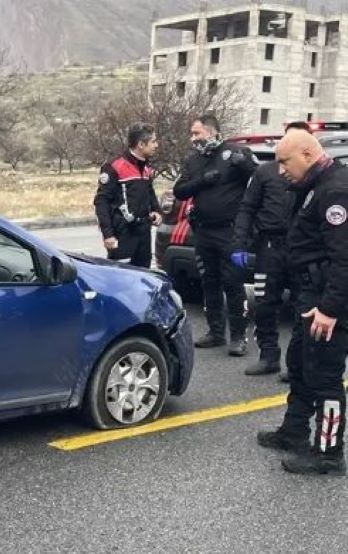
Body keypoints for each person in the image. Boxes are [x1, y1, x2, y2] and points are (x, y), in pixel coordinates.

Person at [262, 130, 348, 475]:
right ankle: (294, 431)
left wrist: (330, 310)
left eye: (285, 161)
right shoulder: (313, 187)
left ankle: (328, 452)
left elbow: (344, 259)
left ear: (308, 154)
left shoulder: (335, 191)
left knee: (324, 376)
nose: (280, 169)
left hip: (328, 299)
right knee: (299, 363)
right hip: (310, 293)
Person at [229, 122, 313, 376]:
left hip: (302, 249)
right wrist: (239, 244)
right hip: (269, 247)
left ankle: (297, 363)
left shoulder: (314, 175)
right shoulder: (265, 172)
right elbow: (247, 208)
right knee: (265, 304)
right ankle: (268, 356)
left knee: (303, 306)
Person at [173, 114, 257, 356]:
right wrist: (201, 181)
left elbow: (258, 179)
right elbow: (180, 190)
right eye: (192, 134)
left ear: (212, 132)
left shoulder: (236, 153)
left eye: (197, 133)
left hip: (229, 231)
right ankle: (215, 332)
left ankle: (239, 337)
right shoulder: (194, 160)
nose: (193, 138)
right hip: (204, 231)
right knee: (209, 282)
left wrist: (245, 165)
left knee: (233, 283)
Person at [93, 122, 163, 267]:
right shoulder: (114, 166)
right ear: (141, 144)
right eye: (153, 142)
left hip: (144, 231)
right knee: (122, 277)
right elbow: (102, 201)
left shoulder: (146, 166)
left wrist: (156, 210)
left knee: (144, 276)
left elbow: (149, 191)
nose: (156, 146)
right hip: (123, 233)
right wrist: (108, 234)